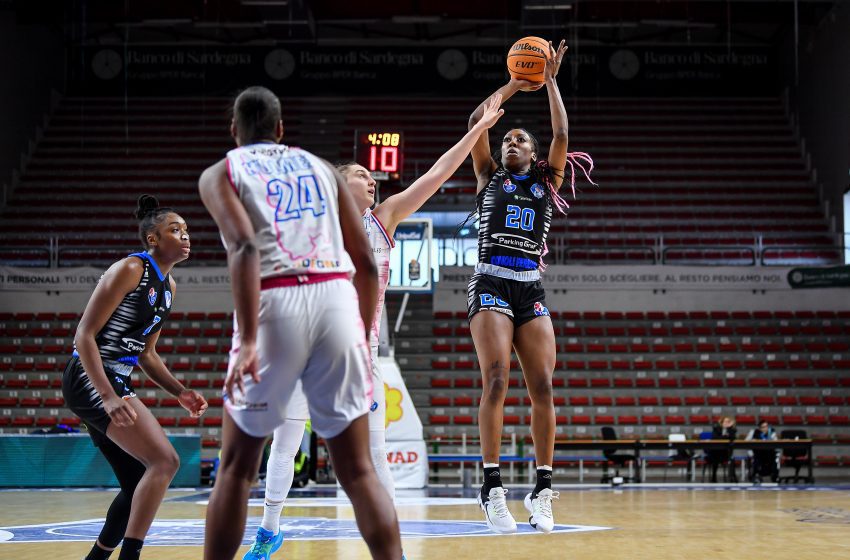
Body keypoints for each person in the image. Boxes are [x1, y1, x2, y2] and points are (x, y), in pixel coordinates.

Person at [241, 95, 506, 560]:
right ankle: (268, 530)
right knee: (284, 445)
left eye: (372, 175)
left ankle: (391, 542)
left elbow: (437, 174)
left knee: (375, 453)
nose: (372, 180)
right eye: (361, 175)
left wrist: (477, 130)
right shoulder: (311, 223)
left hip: (360, 355)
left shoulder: (383, 220)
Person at [199, 86, 402, 560]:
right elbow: (367, 267)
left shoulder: (221, 172)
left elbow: (245, 249)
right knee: (359, 471)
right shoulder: (321, 168)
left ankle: (262, 535)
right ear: (282, 130)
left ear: (234, 131)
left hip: (275, 299)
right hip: (336, 300)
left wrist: (249, 340)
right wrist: (359, 333)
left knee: (234, 469)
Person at [465, 39, 595, 534]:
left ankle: (541, 489)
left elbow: (562, 129)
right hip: (491, 281)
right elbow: (480, 118)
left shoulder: (548, 181)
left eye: (519, 139)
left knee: (542, 386)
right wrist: (516, 84)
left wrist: (552, 79)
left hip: (530, 286)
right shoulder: (487, 176)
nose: (509, 144)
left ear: (535, 153)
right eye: (506, 141)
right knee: (496, 379)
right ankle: (492, 486)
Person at [63, 195, 208, 560]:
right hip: (90, 375)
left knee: (134, 484)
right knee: (165, 462)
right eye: (175, 230)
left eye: (187, 230)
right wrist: (110, 397)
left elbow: (147, 354)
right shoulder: (130, 269)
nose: (185, 236)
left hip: (116, 378)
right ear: (153, 239)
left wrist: (179, 391)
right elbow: (84, 335)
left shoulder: (169, 288)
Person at [746, 419, 779, 484]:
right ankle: (755, 476)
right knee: (757, 458)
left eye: (767, 426)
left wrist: (772, 438)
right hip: (758, 454)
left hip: (769, 454)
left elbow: (776, 442)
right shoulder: (754, 432)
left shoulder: (772, 432)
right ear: (760, 428)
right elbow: (746, 442)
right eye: (763, 427)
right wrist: (752, 440)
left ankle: (774, 476)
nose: (765, 428)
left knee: (773, 458)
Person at [708, 416, 738, 483]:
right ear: (721, 423)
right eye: (725, 421)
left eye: (728, 422)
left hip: (726, 453)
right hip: (716, 452)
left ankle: (733, 478)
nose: (727, 423)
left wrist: (729, 428)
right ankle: (713, 478)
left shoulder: (732, 430)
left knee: (732, 459)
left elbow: (732, 438)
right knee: (714, 458)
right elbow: (715, 438)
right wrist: (725, 436)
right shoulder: (716, 428)